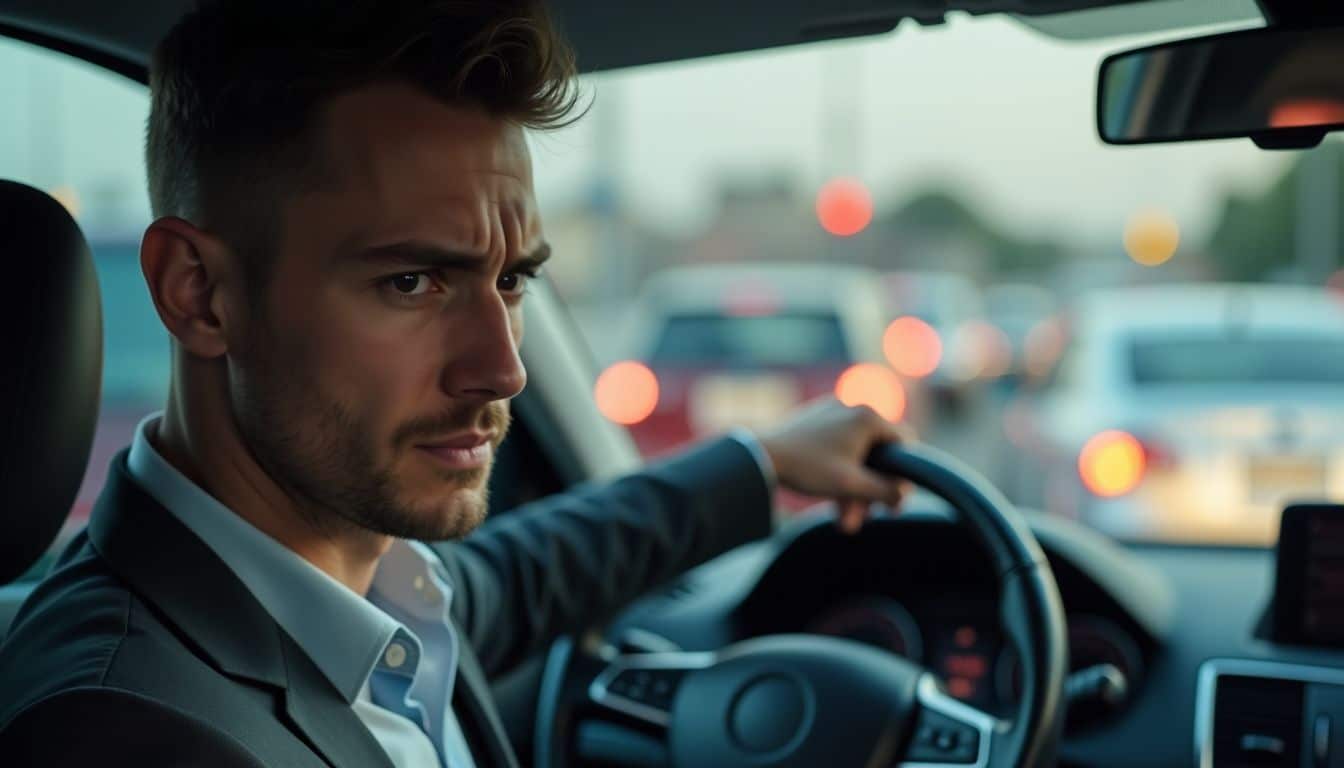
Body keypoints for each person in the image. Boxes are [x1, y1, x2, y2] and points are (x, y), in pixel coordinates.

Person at [0, 1, 909, 765]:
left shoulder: (362, 589)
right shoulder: (125, 730)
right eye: (412, 283)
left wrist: (764, 461)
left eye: (512, 280)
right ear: (198, 294)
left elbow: (522, 572)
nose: (502, 366)